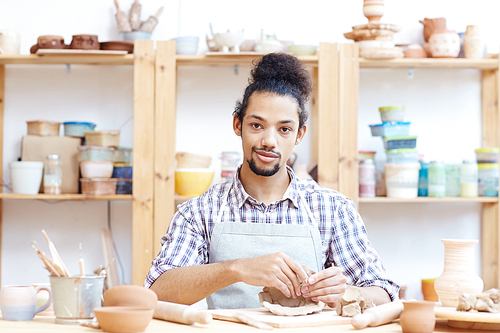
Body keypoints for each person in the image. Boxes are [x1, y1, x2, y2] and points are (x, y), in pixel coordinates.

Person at [144, 53, 399, 309]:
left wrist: (349, 293)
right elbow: (157, 291)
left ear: (299, 135)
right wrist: (236, 268)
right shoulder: (198, 212)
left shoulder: (334, 209)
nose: (269, 141)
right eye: (257, 125)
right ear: (237, 124)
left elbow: (385, 292)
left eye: (284, 129)